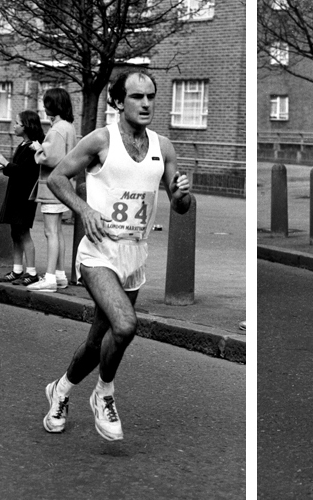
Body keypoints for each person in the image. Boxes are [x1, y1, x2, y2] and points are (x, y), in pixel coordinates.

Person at [37, 67, 195, 442]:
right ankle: (103, 393)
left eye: (151, 96)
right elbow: (57, 178)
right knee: (125, 325)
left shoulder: (164, 147)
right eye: (137, 97)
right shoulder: (100, 140)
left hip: (134, 258)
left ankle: (59, 390)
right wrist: (85, 210)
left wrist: (183, 193)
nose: (145, 103)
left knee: (98, 342)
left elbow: (180, 206)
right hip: (98, 255)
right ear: (119, 101)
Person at [28, 88, 79, 293]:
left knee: (50, 232)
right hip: (65, 185)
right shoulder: (69, 127)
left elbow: (50, 157)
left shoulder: (57, 130)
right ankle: (59, 275)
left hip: (52, 186)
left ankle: (49, 277)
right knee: (58, 232)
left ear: (52, 106)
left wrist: (38, 149)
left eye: (46, 103)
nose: (44, 107)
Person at [0, 110, 43, 285]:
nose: (14, 126)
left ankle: (32, 272)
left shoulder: (34, 147)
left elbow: (26, 173)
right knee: (15, 232)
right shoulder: (23, 145)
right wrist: (5, 167)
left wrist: (7, 163)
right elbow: (18, 169)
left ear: (26, 126)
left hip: (24, 196)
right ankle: (17, 270)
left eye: (17, 123)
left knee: (23, 232)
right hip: (16, 193)